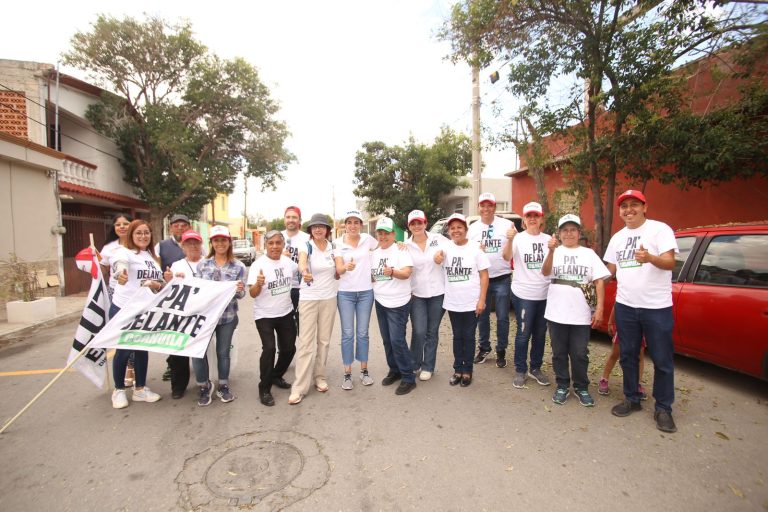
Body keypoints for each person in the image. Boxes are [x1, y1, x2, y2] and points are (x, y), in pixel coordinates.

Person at [604, 190, 679, 433]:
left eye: (634, 204)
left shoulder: (660, 230)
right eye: (624, 206)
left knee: (662, 359)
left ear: (644, 207)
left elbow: (670, 262)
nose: (629, 209)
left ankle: (664, 408)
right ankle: (632, 398)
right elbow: (609, 270)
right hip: (626, 306)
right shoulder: (617, 237)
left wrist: (650, 258)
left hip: (656, 307)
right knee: (628, 355)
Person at [541, 214, 610, 407]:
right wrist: (550, 252)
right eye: (565, 230)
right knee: (559, 352)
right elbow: (545, 272)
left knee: (580, 353)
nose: (569, 233)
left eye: (573, 230)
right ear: (559, 233)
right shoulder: (555, 251)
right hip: (556, 312)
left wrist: (600, 310)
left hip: (581, 313)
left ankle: (581, 386)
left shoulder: (588, 254)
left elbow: (599, 282)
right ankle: (562, 384)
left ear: (579, 233)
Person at [109, 219, 164, 409]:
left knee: (141, 349)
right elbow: (119, 267)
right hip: (124, 308)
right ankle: (118, 390)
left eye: (146, 233)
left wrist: (157, 284)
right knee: (123, 351)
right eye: (138, 233)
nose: (143, 236)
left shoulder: (150, 257)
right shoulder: (124, 253)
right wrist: (120, 274)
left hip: (144, 310)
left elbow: (158, 283)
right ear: (131, 235)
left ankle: (140, 388)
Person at [434, 213, 490, 387]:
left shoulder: (475, 249)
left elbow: (484, 275)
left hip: (471, 302)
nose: (456, 231)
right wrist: (437, 258)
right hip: (453, 301)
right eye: (452, 228)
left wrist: (482, 300)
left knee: (469, 336)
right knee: (457, 336)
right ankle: (457, 369)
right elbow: (435, 257)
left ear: (466, 229)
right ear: (449, 231)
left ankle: (468, 371)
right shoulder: (445, 247)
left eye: (459, 227)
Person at [193, 225, 246, 407]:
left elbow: (241, 295)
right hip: (204, 318)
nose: (220, 243)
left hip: (227, 318)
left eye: (223, 240)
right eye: (216, 240)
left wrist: (239, 290)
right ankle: (204, 386)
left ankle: (223, 385)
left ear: (229, 242)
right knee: (198, 353)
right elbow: (196, 291)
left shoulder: (238, 266)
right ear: (212, 243)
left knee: (223, 353)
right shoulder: (202, 265)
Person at [289, 214, 338, 405]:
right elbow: (302, 262)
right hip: (309, 299)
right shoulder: (306, 245)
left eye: (322, 227)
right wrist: (304, 271)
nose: (318, 230)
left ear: (327, 230)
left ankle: (320, 376)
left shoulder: (333, 247)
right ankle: (299, 387)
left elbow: (339, 267)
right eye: (315, 227)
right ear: (310, 230)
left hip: (329, 298)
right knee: (306, 343)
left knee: (324, 341)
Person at [248, 230, 298, 407]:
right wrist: (258, 284)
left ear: (283, 245)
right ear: (265, 245)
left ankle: (276, 375)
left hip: (285, 312)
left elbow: (299, 280)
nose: (275, 246)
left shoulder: (289, 264)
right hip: (264, 315)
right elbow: (252, 294)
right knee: (269, 349)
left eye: (278, 243)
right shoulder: (257, 265)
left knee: (289, 349)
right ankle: (264, 388)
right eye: (271, 243)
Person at [467, 192, 515, 367]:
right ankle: (484, 347)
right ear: (479, 208)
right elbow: (467, 251)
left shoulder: (506, 225)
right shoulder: (472, 228)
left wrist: (512, 237)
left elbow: (511, 250)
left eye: (490, 205)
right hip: (481, 278)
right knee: (482, 315)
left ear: (494, 207)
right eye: (483, 205)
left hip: (502, 277)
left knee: (502, 317)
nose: (486, 209)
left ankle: (501, 349)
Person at [371, 217, 417, 395]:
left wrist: (393, 272)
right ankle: (395, 370)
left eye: (386, 233)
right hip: (380, 301)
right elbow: (372, 276)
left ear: (393, 234)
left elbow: (406, 273)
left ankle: (408, 377)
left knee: (397, 340)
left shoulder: (400, 250)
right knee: (387, 340)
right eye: (379, 233)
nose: (382, 236)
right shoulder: (374, 254)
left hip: (398, 303)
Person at [334, 210, 378, 390]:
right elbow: (338, 270)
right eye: (349, 222)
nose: (352, 226)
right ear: (345, 225)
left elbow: (384, 247)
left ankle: (364, 370)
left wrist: (400, 244)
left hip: (366, 292)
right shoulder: (337, 243)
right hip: (345, 294)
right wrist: (345, 267)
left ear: (361, 224)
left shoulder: (368, 239)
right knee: (347, 333)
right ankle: (347, 373)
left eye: (356, 222)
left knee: (362, 333)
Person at [510, 202, 552, 388]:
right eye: (529, 216)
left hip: (545, 294)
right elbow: (505, 257)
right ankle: (520, 369)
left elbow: (552, 268)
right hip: (523, 294)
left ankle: (535, 367)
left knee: (540, 334)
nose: (532, 219)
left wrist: (553, 249)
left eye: (536, 215)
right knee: (523, 333)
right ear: (524, 220)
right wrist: (509, 240)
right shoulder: (517, 238)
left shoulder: (549, 240)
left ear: (541, 218)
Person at [405, 209, 448, 381]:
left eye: (419, 222)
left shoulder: (440, 240)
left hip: (438, 292)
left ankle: (428, 366)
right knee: (419, 330)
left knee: (432, 331)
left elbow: (458, 247)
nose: (417, 226)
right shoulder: (405, 246)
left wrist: (442, 257)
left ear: (425, 223)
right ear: (409, 226)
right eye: (413, 223)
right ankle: (414, 363)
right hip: (417, 295)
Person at [158, 213, 192, 398]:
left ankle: (204, 379)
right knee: (176, 343)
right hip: (173, 303)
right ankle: (177, 384)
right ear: (170, 227)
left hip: (195, 304)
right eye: (176, 225)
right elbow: (156, 270)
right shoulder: (162, 246)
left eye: (183, 225)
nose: (180, 228)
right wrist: (165, 280)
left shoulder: (198, 248)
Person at [99, 212, 134, 386]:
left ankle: (133, 367)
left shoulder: (139, 246)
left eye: (125, 223)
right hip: (117, 293)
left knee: (137, 333)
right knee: (123, 334)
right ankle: (127, 368)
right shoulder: (109, 248)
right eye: (118, 224)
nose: (122, 227)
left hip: (136, 294)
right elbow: (104, 269)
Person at [281, 206, 309, 330]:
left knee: (303, 327)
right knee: (285, 328)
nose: (291, 220)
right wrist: (280, 256)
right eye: (288, 217)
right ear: (284, 220)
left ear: (299, 220)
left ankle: (304, 349)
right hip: (282, 287)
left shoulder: (307, 238)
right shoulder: (276, 237)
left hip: (301, 288)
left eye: (294, 217)